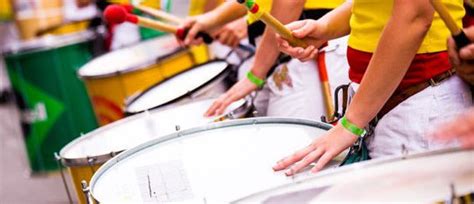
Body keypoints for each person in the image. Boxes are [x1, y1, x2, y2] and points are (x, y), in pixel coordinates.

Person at [273, 0, 472, 176]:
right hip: (385, 104)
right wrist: (325, 27)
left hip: (419, 103)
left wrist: (352, 122)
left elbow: (415, 15)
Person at [180, 0, 347, 120]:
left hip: (305, 48)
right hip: (281, 52)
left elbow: (289, 2)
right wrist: (212, 19)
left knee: (295, 154)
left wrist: (256, 73)